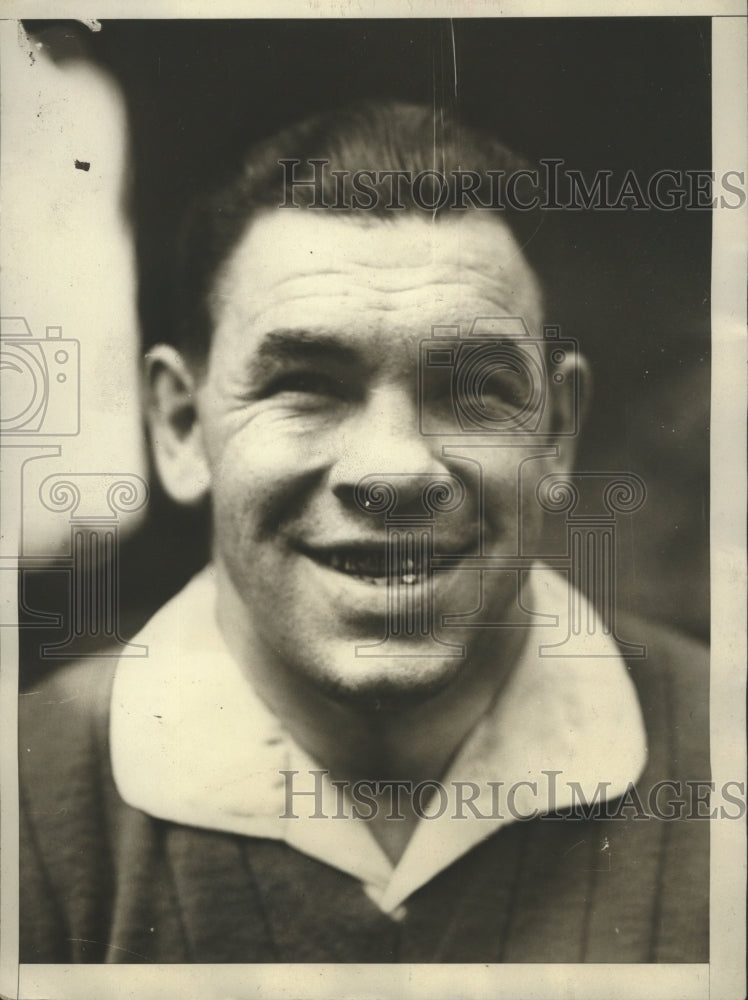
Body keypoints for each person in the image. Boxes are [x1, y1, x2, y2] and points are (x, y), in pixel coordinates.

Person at [19, 101, 708, 963]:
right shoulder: (27, 799)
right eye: (307, 383)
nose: (394, 471)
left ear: (557, 435)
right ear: (182, 428)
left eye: (472, 391)